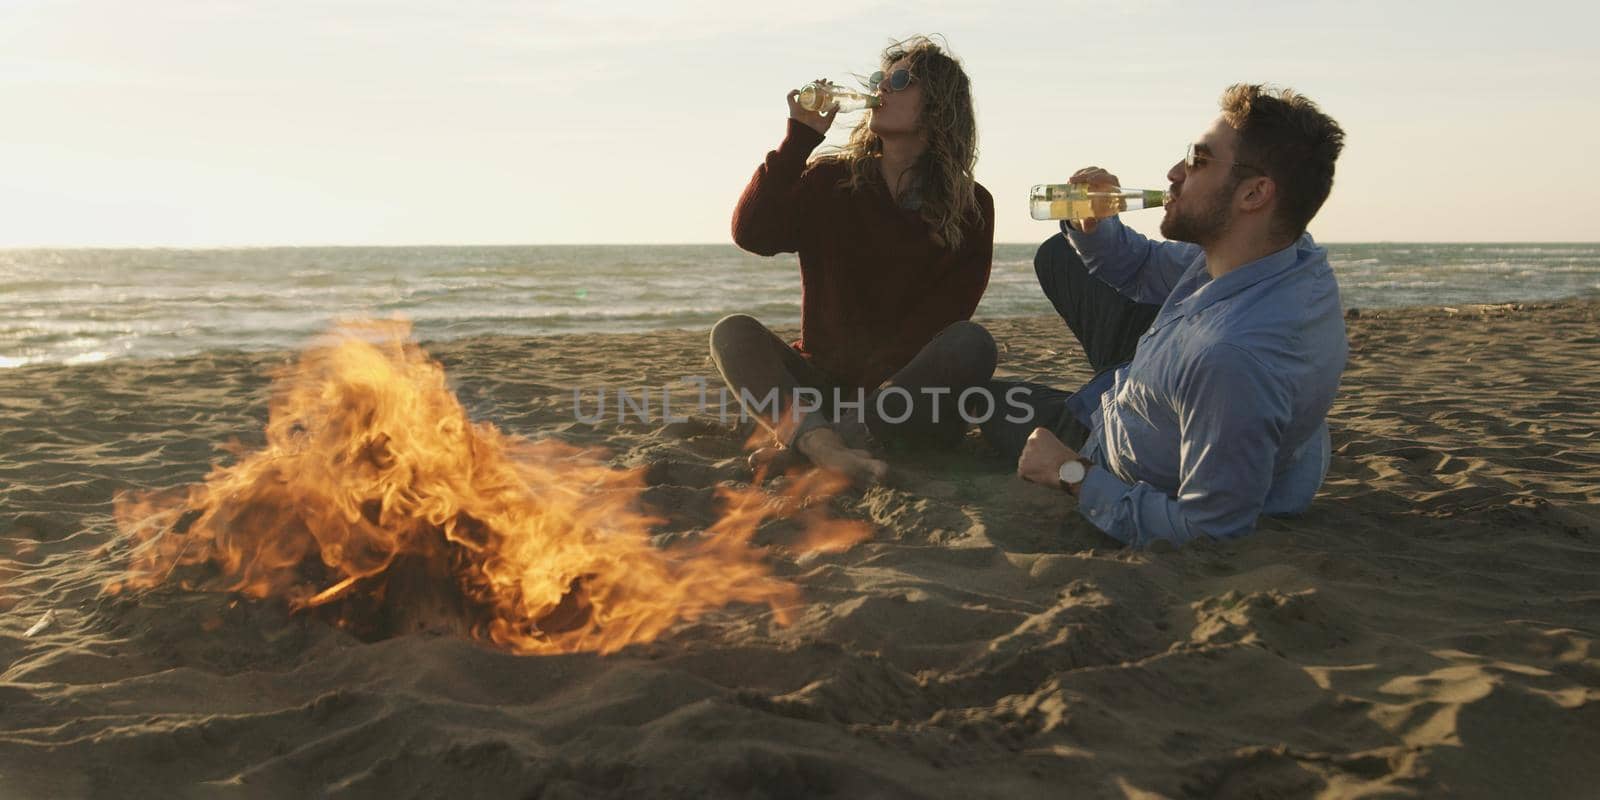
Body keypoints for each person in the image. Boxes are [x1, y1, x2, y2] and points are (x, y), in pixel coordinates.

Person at [984, 84, 1348, 547]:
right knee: (1001, 378)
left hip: (1098, 454)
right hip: (1119, 407)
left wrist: (1070, 472)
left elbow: (1207, 530)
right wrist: (1092, 223)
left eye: (1198, 162)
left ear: (1254, 193)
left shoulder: (1232, 359)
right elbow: (1138, 269)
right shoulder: (1275, 255)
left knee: (979, 401)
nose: (1174, 173)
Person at [713, 36, 997, 485]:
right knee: (733, 333)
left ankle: (819, 443)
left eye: (900, 80)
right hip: (821, 384)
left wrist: (865, 405)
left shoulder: (970, 205)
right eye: (878, 80)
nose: (881, 88)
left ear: (940, 105)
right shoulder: (830, 181)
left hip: (898, 400)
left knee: (971, 343)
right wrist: (798, 141)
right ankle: (826, 446)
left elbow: (943, 319)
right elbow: (752, 234)